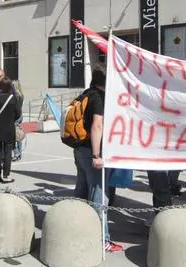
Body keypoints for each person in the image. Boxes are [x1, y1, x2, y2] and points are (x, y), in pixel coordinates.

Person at [72, 68, 123, 253]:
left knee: (81, 190)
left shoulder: (86, 94)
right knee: (99, 195)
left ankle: (73, 227)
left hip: (79, 149)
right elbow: (97, 125)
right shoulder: (99, 97)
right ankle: (102, 239)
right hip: (92, 152)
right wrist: (96, 155)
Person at [0, 77, 21, 183]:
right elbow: (18, 113)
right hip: (9, 128)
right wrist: (10, 119)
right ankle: (6, 175)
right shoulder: (13, 98)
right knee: (8, 153)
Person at [11, 80, 25, 161]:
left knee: (12, 136)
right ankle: (19, 153)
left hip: (14, 117)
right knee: (18, 135)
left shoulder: (14, 96)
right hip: (20, 116)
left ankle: (16, 153)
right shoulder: (21, 95)